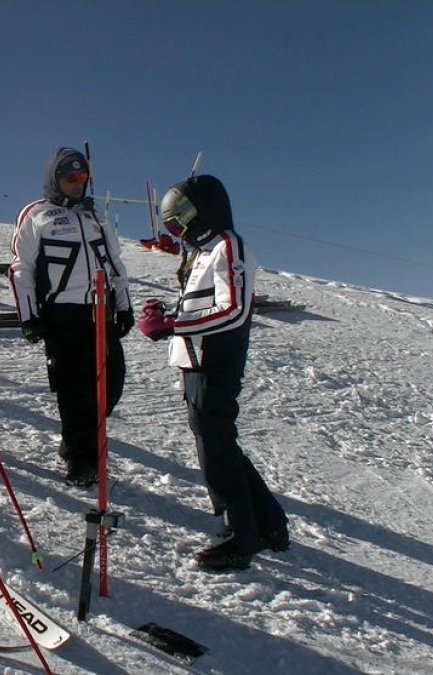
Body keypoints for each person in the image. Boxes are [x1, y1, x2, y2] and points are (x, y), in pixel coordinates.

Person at [136, 174, 289, 571]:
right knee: (220, 442)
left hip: (216, 361)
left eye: (181, 218)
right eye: (172, 221)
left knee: (215, 448)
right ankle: (270, 524)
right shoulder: (203, 251)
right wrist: (167, 315)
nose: (178, 229)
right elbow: (202, 308)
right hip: (196, 361)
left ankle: (241, 535)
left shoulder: (228, 245)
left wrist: (172, 326)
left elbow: (233, 310)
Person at [9, 147, 134, 487]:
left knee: (112, 382)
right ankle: (81, 459)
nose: (78, 184)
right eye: (70, 177)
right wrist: (28, 316)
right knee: (73, 389)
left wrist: (123, 305)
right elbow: (22, 269)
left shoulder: (95, 216)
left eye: (83, 177)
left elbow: (115, 265)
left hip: (100, 311)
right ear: (55, 179)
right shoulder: (37, 215)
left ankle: (77, 438)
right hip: (62, 314)